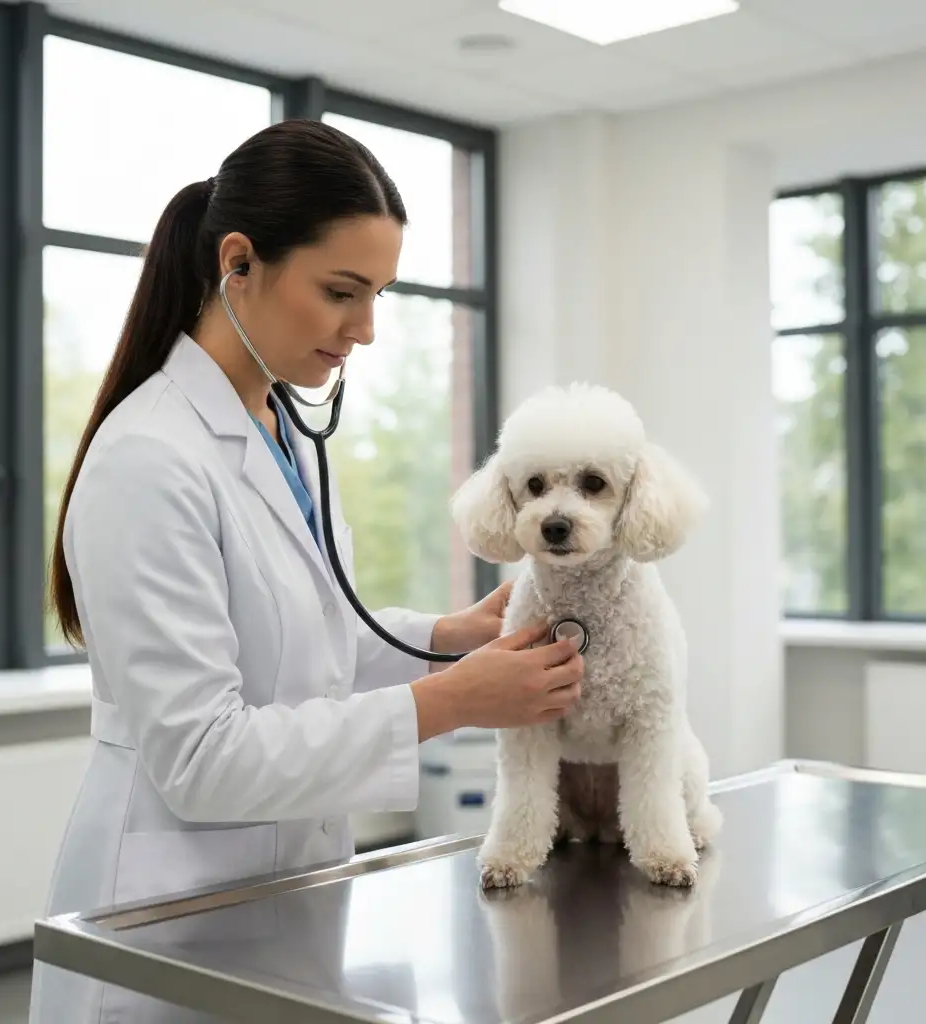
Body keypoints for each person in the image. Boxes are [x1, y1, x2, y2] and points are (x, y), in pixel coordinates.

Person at [28, 118, 584, 1023]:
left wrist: (448, 642)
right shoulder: (149, 456)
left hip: (284, 892)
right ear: (238, 262)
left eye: (379, 296)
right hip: (167, 909)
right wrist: (455, 701)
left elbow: (302, 650)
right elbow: (202, 757)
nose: (364, 330)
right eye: (341, 292)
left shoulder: (278, 430)